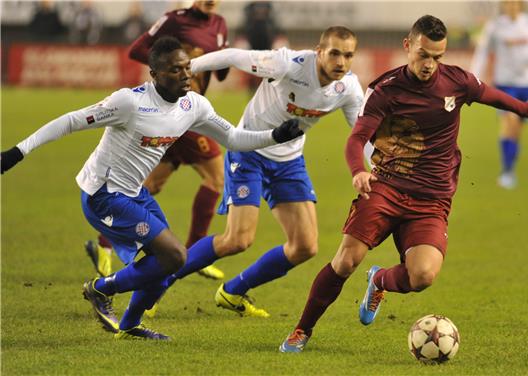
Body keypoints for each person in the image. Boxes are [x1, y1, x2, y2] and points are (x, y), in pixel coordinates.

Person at [0, 36, 303, 340]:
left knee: (167, 265)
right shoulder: (129, 102)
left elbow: (234, 139)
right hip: (102, 194)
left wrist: (274, 136)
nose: (185, 75)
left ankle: (130, 325)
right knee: (175, 256)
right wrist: (17, 152)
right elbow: (69, 121)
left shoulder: (193, 105)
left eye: (187, 68)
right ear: (154, 75)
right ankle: (100, 289)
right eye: (174, 70)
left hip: (134, 193)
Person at [279, 15, 528, 353]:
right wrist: (358, 170)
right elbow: (356, 138)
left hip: (432, 200)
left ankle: (380, 280)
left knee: (422, 277)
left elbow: (491, 94)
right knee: (345, 261)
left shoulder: (457, 82)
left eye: (437, 57)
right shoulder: (385, 90)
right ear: (408, 46)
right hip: (386, 187)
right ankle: (302, 330)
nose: (430, 64)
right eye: (423, 55)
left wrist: (524, 108)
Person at [168, 26, 370, 318]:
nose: (341, 62)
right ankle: (159, 280)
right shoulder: (288, 64)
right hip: (249, 149)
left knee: (304, 246)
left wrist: (384, 165)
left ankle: (234, 291)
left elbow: (361, 135)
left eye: (348, 55)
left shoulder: (348, 88)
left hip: (289, 161)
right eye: (335, 53)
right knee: (237, 240)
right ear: (319, 51)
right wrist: (189, 69)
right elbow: (235, 56)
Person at [85, 0, 230, 282]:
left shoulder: (220, 24)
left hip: (183, 114)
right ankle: (195, 253)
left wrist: (216, 55)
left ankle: (104, 246)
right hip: (177, 111)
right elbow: (137, 49)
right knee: (217, 178)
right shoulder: (174, 19)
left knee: (151, 184)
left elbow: (221, 73)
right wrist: (181, 58)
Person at [470, 0, 528, 189]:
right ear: (504, 5)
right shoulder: (495, 26)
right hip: (504, 84)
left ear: (521, 5)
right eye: (508, 3)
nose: (511, 6)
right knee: (510, 122)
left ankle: (510, 157)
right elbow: (482, 52)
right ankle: (507, 172)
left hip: (526, 84)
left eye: (515, 3)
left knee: (515, 131)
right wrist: (473, 78)